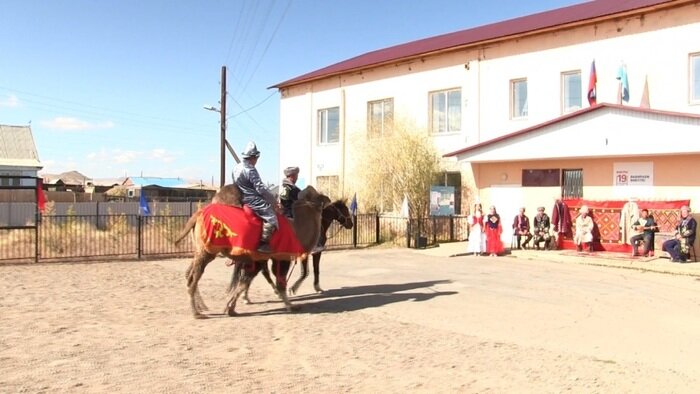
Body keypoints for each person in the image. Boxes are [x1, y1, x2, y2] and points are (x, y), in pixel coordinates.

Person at [233, 141, 278, 253]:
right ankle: (263, 243)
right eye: (256, 158)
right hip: (252, 199)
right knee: (271, 217)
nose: (256, 160)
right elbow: (260, 188)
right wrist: (273, 200)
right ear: (253, 157)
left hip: (240, 198)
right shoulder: (250, 169)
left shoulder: (236, 168)